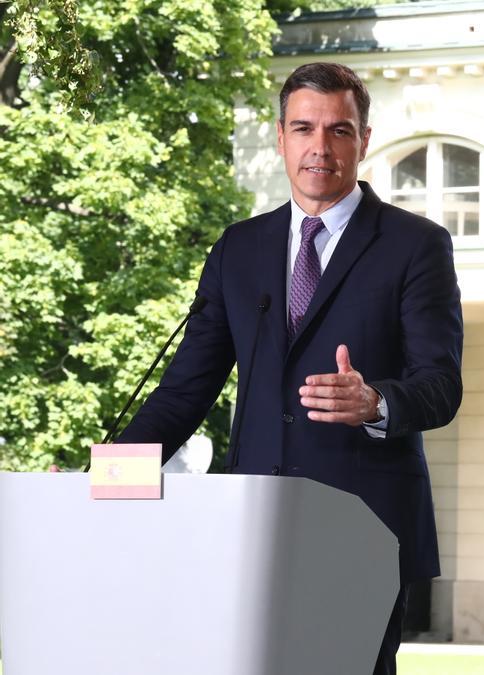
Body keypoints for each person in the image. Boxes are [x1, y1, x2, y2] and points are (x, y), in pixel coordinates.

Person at [118, 62, 463, 674]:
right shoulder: (238, 249)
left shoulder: (416, 245)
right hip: (252, 529)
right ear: (281, 137)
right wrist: (109, 469)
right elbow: (184, 391)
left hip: (364, 532)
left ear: (364, 138)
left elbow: (441, 386)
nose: (320, 148)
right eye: (304, 128)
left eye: (339, 130)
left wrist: (376, 402)